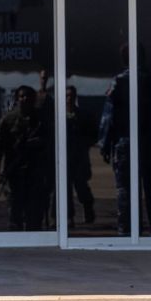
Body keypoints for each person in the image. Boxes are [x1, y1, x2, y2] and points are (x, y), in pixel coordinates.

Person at [98, 45, 151, 236]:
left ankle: (128, 231)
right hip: (150, 143)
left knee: (125, 191)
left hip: (125, 144)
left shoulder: (119, 82)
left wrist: (104, 144)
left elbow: (109, 117)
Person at [0, 84, 54, 230]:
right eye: (21, 96)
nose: (24, 99)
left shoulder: (41, 120)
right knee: (15, 211)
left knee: (35, 214)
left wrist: (38, 145)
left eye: (27, 96)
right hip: (15, 172)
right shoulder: (8, 120)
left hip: (36, 172)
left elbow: (51, 143)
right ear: (17, 99)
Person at [64, 85, 96, 225]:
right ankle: (68, 217)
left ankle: (88, 209)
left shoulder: (83, 116)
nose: (68, 98)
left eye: (71, 95)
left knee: (82, 187)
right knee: (65, 190)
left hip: (79, 158)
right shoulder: (59, 116)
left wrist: (83, 144)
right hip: (64, 158)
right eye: (66, 95)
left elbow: (93, 135)